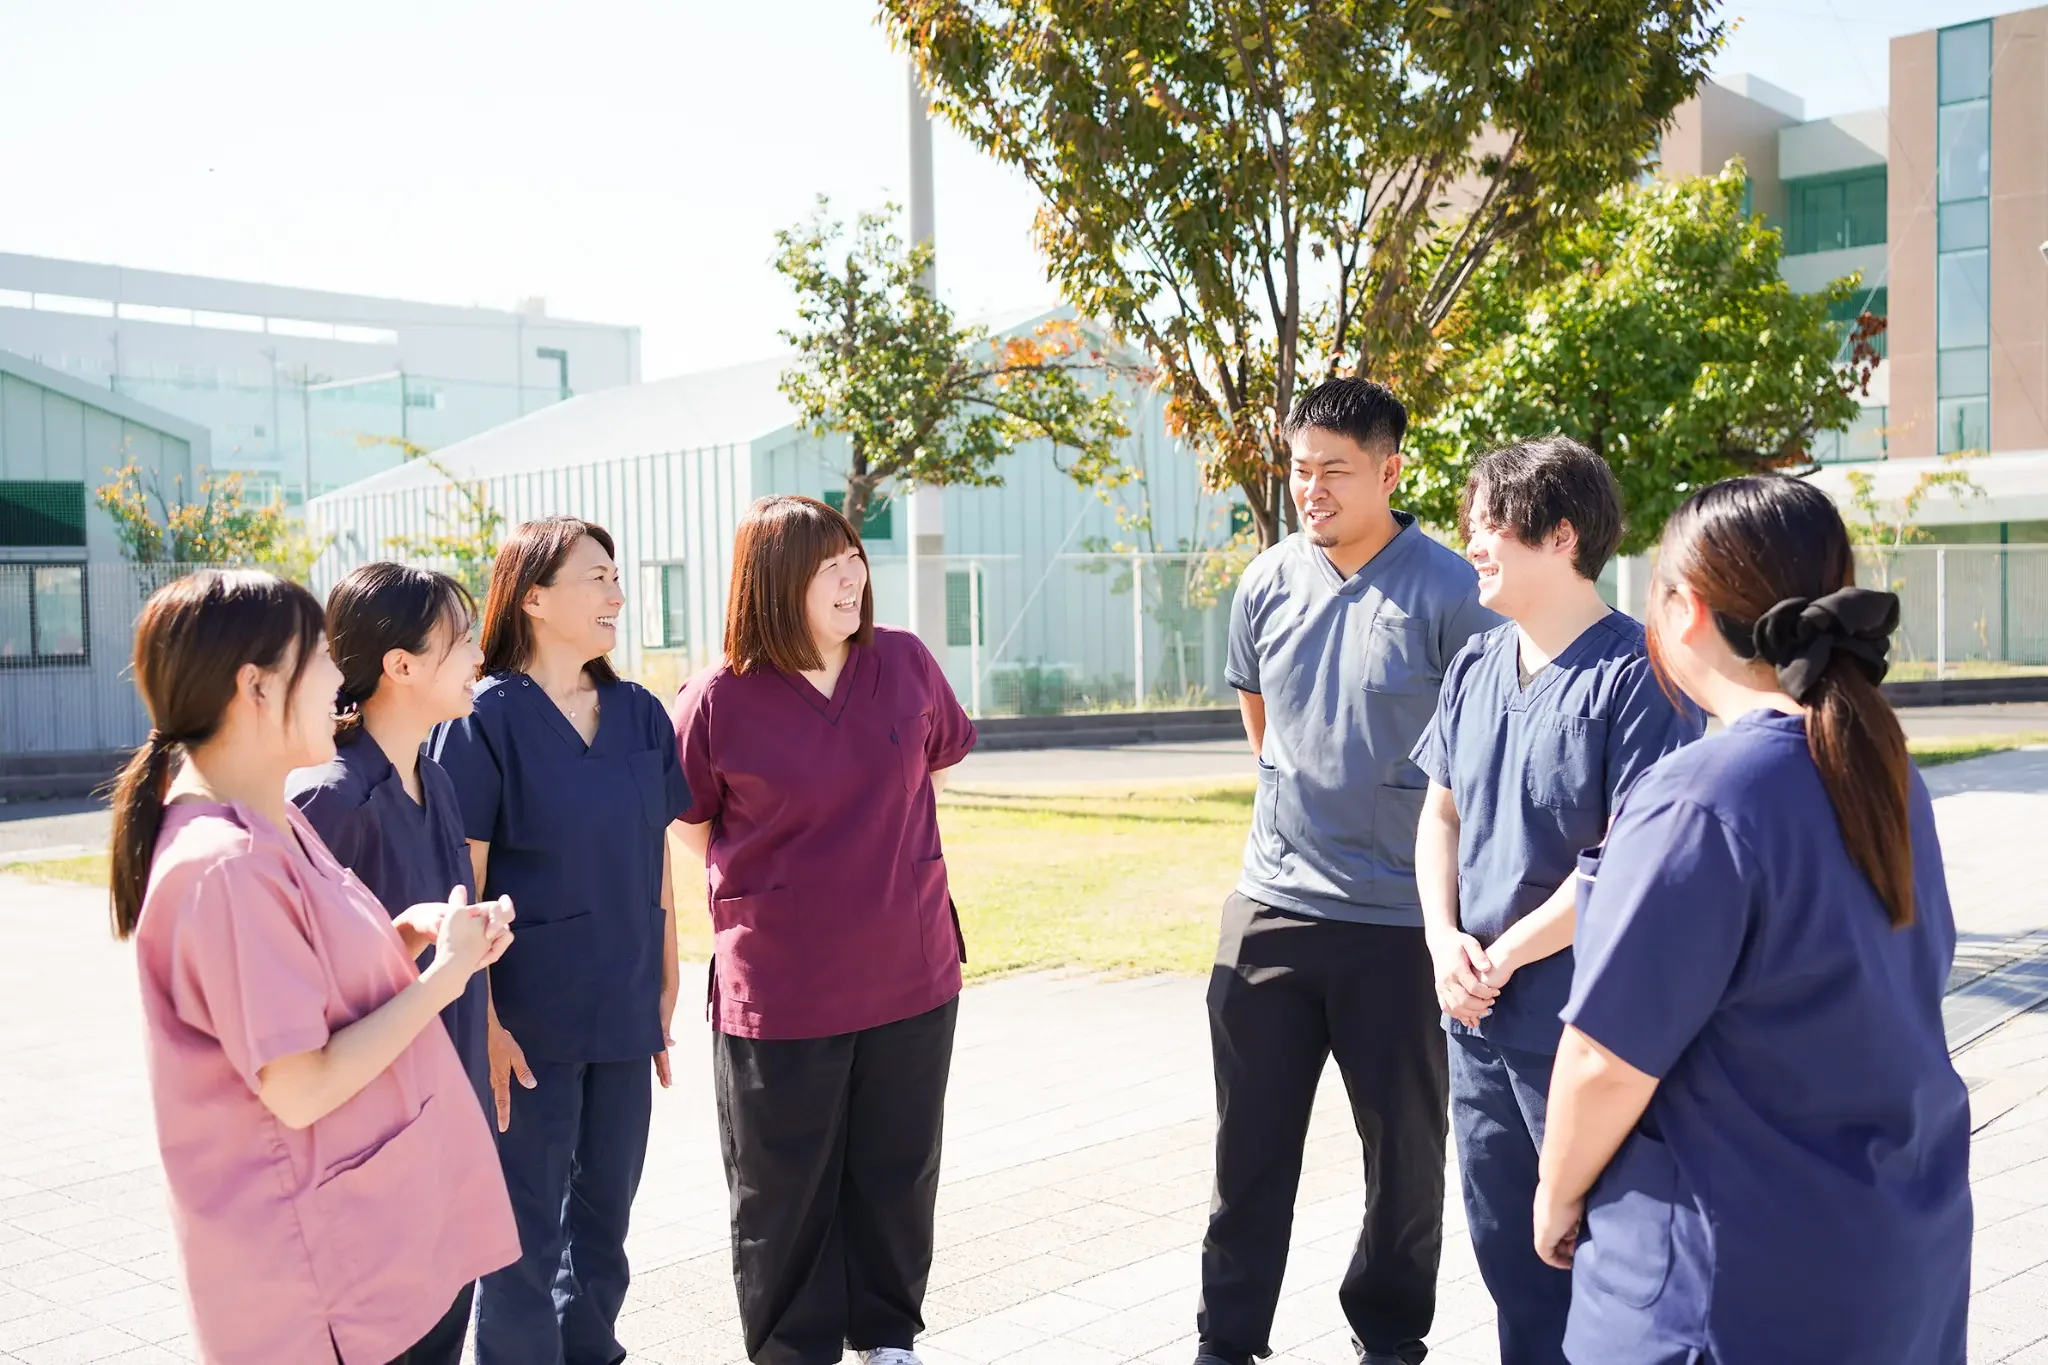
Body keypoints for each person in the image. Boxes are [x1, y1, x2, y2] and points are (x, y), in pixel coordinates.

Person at [1535, 475, 1971, 1365]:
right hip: (1890, 1252)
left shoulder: (1702, 798)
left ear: (1685, 610)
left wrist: (1555, 1190)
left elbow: (1604, 1059)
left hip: (1727, 1286)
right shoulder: (1879, 771)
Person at [113, 569, 518, 1364]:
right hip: (324, 1283)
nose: (340, 676)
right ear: (255, 687)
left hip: (371, 1247)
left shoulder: (264, 826)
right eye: (320, 658)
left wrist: (406, 935)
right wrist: (445, 979)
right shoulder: (224, 864)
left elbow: (312, 989)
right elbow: (298, 1085)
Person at [1199, 378, 1499, 1365]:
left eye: (1334, 469)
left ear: (1388, 470)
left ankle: (1388, 1341)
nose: (1311, 489)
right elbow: (1263, 728)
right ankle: (1226, 1342)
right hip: (1271, 914)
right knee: (1247, 1159)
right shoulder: (1264, 583)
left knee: (1403, 1160)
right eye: (1298, 469)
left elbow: (1482, 757)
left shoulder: (1453, 592)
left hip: (1397, 929)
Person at [1410, 438, 1701, 1365]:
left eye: (1489, 523)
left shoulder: (1641, 677)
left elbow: (1627, 865)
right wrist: (1442, 937)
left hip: (1580, 1029)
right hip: (1477, 1028)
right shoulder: (1474, 668)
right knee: (1510, 1265)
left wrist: (1503, 956)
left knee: (1596, 1261)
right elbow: (1440, 816)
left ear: (1562, 534)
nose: (1472, 543)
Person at [671, 495, 977, 1365]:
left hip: (910, 973)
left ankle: (888, 1336)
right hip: (781, 989)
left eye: (855, 557)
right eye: (827, 563)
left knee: (897, 1172)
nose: (854, 576)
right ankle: (792, 1350)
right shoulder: (719, 697)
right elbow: (690, 824)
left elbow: (933, 769)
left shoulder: (905, 663)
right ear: (773, 580)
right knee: (782, 1191)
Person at [431, 518, 692, 1365]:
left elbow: (655, 855)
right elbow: (459, 886)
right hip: (527, 1023)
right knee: (521, 1233)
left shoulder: (641, 713)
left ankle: (593, 1352)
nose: (617, 594)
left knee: (606, 1219)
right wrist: (484, 1020)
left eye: (617, 576)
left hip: (623, 1003)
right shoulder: (483, 720)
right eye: (598, 577)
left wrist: (666, 976)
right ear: (534, 597)